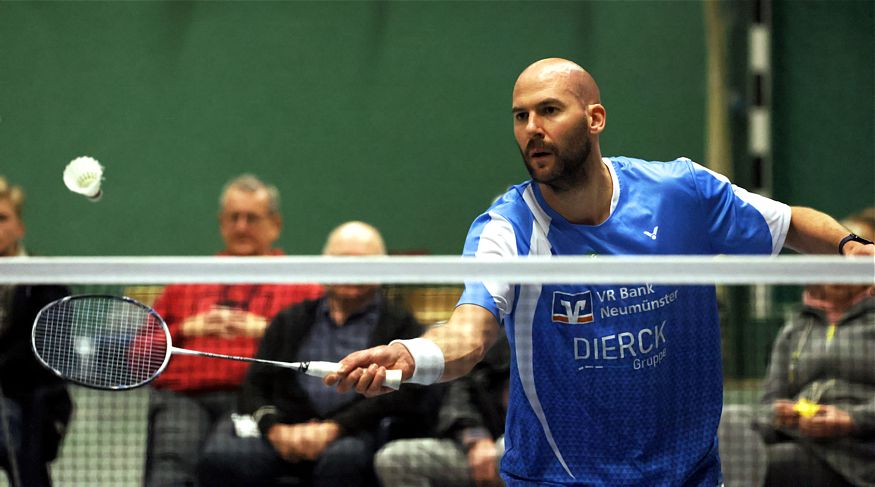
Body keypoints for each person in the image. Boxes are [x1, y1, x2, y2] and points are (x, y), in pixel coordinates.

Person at [325, 58, 875, 486]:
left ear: (595, 118)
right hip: (557, 476)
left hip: (686, 474)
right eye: (520, 116)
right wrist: (412, 355)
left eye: (549, 110)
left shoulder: (680, 193)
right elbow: (471, 332)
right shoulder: (507, 228)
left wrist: (850, 246)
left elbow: (789, 223)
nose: (532, 128)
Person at [196, 221, 426, 487]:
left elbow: (405, 394)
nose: (352, 271)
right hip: (284, 432)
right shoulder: (291, 319)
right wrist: (274, 429)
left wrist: (334, 428)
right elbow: (255, 384)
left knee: (344, 461)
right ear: (324, 265)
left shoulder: (401, 326)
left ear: (381, 269)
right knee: (222, 458)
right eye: (342, 261)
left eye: (363, 262)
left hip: (354, 433)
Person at [144, 174, 323, 487]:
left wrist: (271, 332)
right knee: (170, 472)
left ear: (275, 224)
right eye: (233, 218)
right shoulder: (186, 283)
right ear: (221, 223)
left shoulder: (303, 286)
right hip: (185, 399)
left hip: (258, 399)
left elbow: (324, 352)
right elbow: (137, 356)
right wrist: (184, 329)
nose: (241, 227)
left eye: (252, 218)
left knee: (226, 462)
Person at [754, 208, 875, 487]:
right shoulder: (797, 327)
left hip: (857, 453)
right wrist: (780, 414)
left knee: (766, 463)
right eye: (836, 257)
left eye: (855, 261)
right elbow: (768, 402)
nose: (841, 268)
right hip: (797, 437)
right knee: (733, 423)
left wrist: (851, 419)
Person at [0, 176, 71, 487]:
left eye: (2, 218)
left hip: (33, 400)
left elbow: (46, 350)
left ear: (20, 227)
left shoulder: (46, 280)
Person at [374, 333, 509, 487]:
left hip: (520, 448)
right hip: (484, 443)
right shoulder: (504, 339)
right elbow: (463, 388)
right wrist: (477, 438)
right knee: (394, 460)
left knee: (508, 451)